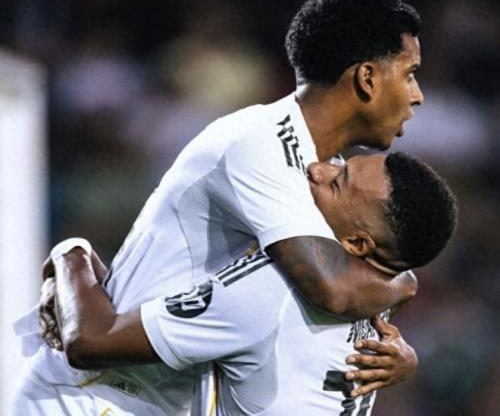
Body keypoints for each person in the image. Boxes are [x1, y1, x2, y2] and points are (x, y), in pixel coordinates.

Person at [13, 0, 427, 415]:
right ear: (367, 78)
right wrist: (71, 253)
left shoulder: (326, 172)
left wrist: (402, 351)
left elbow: (358, 280)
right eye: (410, 73)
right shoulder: (261, 144)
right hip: (94, 394)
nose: (417, 95)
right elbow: (337, 289)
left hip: (158, 399)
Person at [13, 152, 457, 416]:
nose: (317, 169)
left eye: (338, 183)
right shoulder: (375, 286)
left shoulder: (273, 288)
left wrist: (69, 252)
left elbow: (91, 340)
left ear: (357, 243)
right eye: (341, 161)